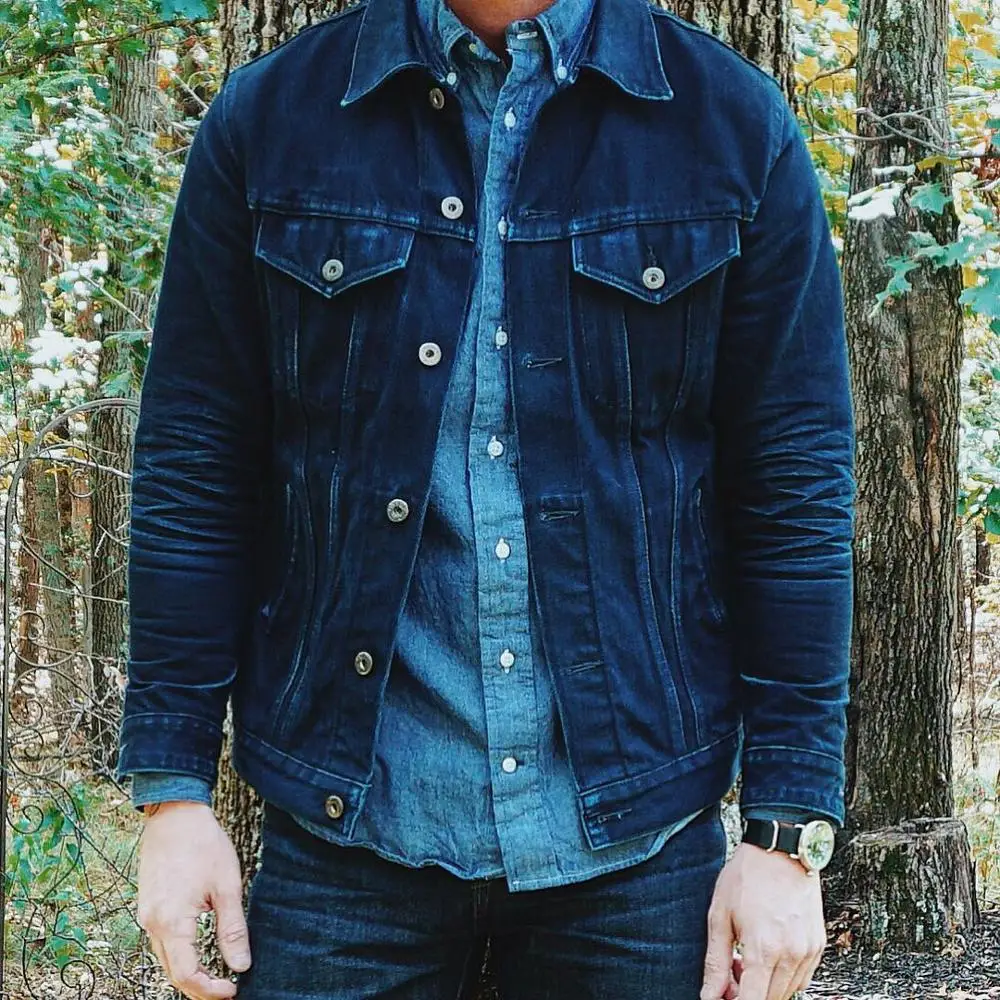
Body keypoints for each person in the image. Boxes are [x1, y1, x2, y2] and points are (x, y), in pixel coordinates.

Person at [117, 0, 855, 997]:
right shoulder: (271, 120)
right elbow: (194, 469)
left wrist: (785, 833)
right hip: (348, 847)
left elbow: (795, 494)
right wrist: (172, 792)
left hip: (638, 846)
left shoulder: (730, 125)